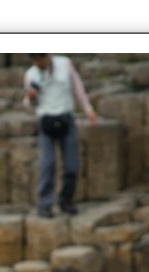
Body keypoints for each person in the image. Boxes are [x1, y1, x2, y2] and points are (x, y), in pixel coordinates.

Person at [23, 54, 99, 218]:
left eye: (41, 57)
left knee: (72, 165)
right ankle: (45, 204)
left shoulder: (65, 64)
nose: (40, 62)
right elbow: (28, 104)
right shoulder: (31, 74)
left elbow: (77, 88)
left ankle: (66, 200)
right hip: (46, 121)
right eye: (35, 59)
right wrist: (31, 96)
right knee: (47, 164)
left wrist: (88, 110)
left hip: (66, 118)